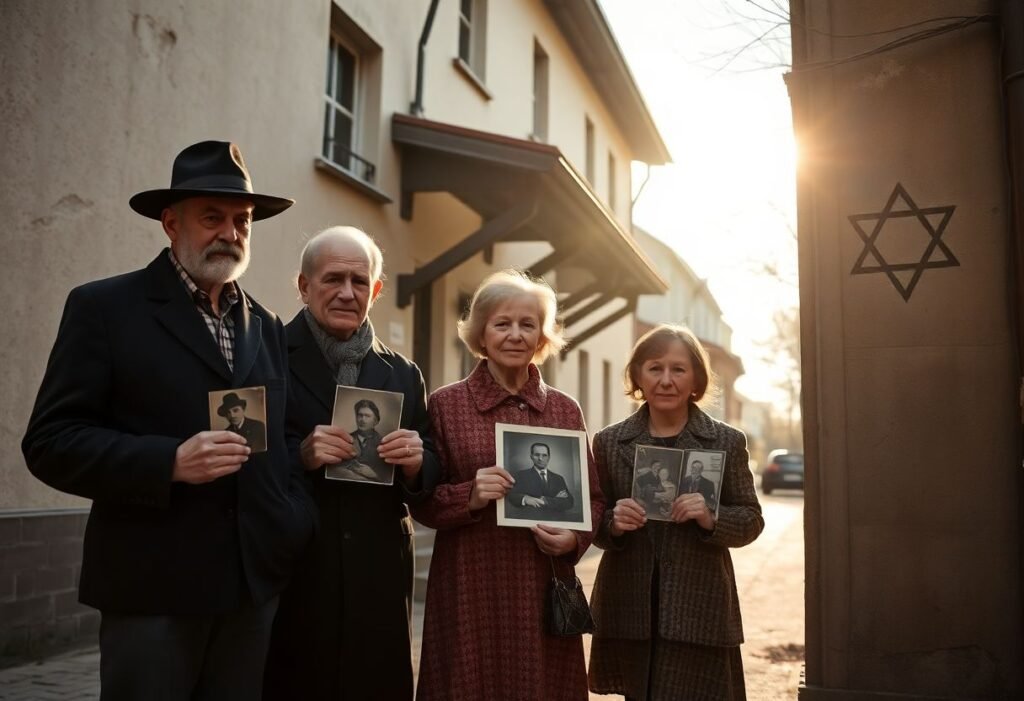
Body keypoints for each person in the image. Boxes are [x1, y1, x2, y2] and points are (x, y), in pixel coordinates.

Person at [21, 140, 316, 701]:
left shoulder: (267, 325)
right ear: (171, 222)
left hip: (250, 594)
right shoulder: (104, 308)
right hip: (152, 592)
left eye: (242, 220)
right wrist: (169, 462)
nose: (230, 232)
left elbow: (282, 439)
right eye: (212, 217)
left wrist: (291, 519)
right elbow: (51, 442)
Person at [263, 226, 441, 701]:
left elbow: (430, 463)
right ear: (304, 286)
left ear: (375, 291)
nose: (347, 292)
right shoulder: (266, 354)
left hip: (377, 570)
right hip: (297, 568)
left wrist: (415, 462)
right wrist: (299, 455)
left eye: (359, 281)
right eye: (333, 279)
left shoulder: (402, 372)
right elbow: (244, 453)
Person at [410, 269, 605, 701]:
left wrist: (573, 540)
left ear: (542, 336)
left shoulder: (564, 410)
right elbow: (422, 501)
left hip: (542, 582)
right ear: (481, 333)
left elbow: (593, 499)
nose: (515, 335)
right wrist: (469, 495)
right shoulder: (446, 404)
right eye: (502, 323)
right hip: (470, 581)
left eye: (527, 324)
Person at [588, 324, 764, 700]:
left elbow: (751, 519)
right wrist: (613, 523)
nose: (666, 380)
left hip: (699, 604)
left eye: (678, 369)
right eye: (655, 368)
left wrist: (711, 518)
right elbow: (592, 518)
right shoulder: (609, 442)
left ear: (696, 378)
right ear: (637, 375)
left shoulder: (725, 441)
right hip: (630, 604)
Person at [506, 441, 575, 519]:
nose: (540, 459)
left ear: (549, 457)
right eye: (537, 455)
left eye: (544, 455)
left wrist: (545, 500)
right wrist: (525, 499)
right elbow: (511, 496)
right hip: (530, 520)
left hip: (555, 520)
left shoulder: (558, 478)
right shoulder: (521, 475)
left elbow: (569, 502)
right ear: (531, 456)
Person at [328, 398, 391, 483]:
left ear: (375, 421)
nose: (362, 420)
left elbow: (388, 478)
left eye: (367, 416)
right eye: (360, 415)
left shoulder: (384, 444)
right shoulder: (345, 439)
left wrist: (374, 475)